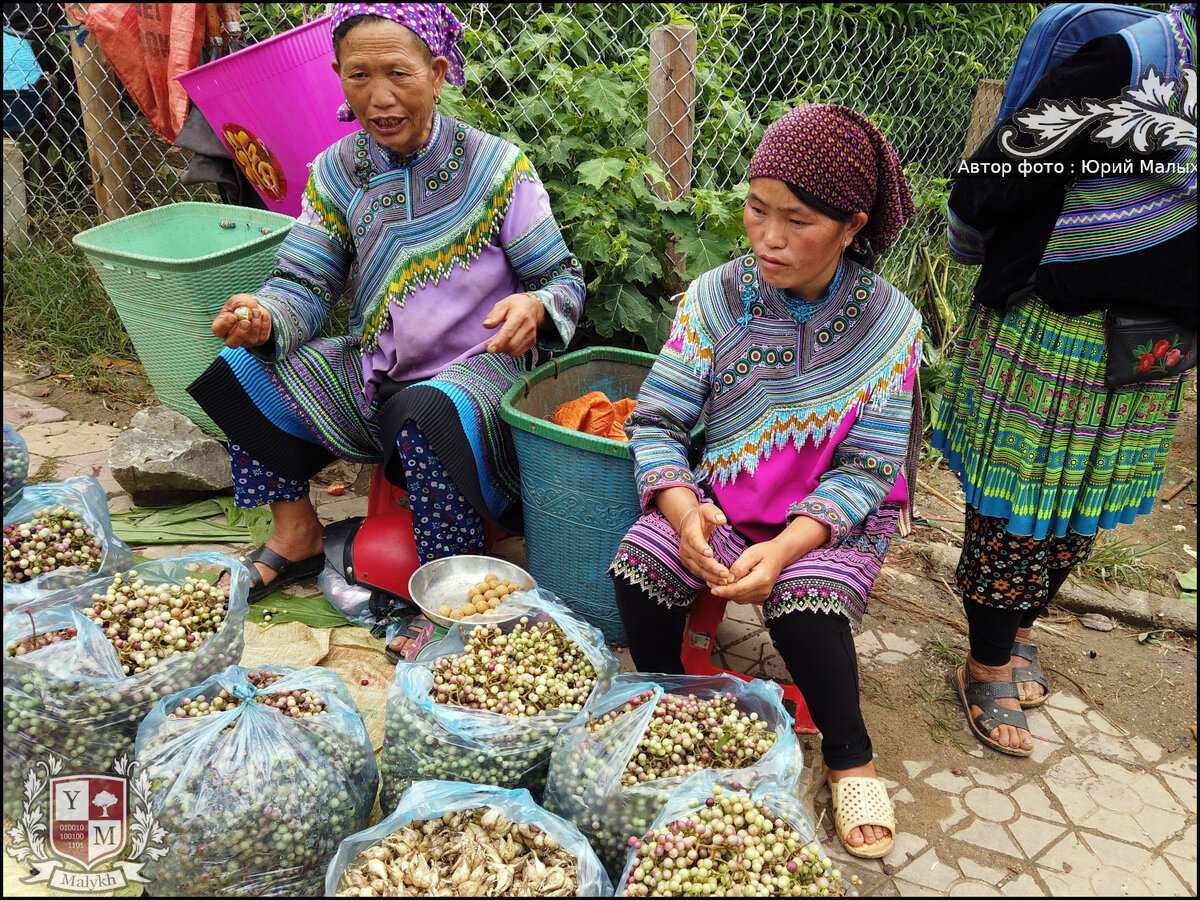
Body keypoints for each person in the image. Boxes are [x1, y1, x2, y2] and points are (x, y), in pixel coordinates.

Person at [188, 2, 584, 657]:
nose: (380, 97)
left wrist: (535, 308)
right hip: (377, 369)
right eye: (358, 76)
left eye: (398, 74)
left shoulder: (496, 168)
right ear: (338, 76)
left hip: (479, 370)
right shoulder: (337, 172)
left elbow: (562, 278)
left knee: (427, 410)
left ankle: (449, 594)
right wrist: (263, 318)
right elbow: (305, 285)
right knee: (239, 371)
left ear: (436, 71)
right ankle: (295, 537)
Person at [609, 104, 922, 859]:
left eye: (799, 220)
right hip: (720, 500)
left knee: (804, 606)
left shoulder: (889, 323)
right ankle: (670, 697)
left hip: (830, 518)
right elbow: (655, 421)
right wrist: (685, 515)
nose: (771, 238)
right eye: (756, 210)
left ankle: (851, 754)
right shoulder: (716, 300)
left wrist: (785, 550)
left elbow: (872, 467)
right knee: (640, 568)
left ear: (852, 225)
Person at [932, 4, 1195, 756]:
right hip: (1060, 331)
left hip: (1158, 347)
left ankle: (1017, 632)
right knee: (1020, 514)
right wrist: (979, 249)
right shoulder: (1127, 63)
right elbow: (993, 179)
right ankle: (985, 663)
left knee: (1079, 514)